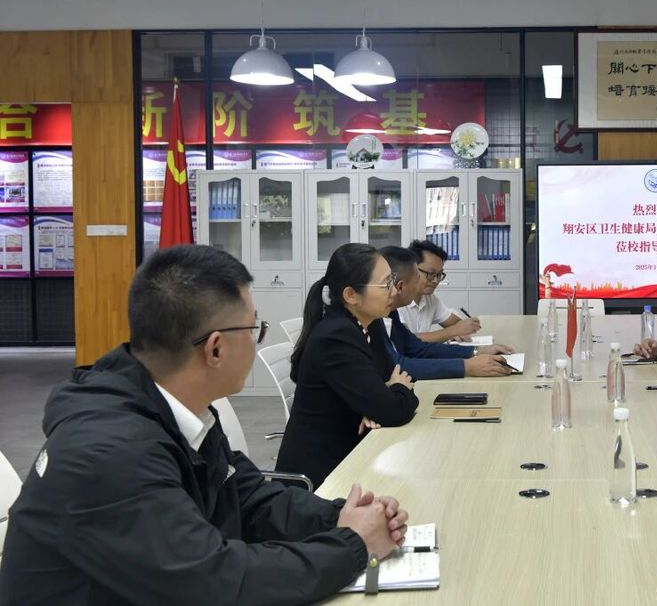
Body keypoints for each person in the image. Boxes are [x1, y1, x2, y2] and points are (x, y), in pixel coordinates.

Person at [0, 245, 409, 605]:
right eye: (254, 329)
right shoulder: (111, 452)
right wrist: (352, 544)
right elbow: (215, 582)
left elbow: (247, 497)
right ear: (215, 348)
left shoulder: (170, 405)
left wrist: (339, 516)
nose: (256, 340)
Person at [276, 243, 419, 489]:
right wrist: (387, 395)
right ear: (351, 295)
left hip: (353, 453)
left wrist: (375, 402)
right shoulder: (336, 336)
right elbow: (393, 409)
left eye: (393, 281)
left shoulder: (370, 322)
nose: (394, 291)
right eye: (385, 284)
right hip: (320, 478)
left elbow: (387, 380)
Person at [378, 246, 515, 378]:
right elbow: (398, 365)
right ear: (400, 286)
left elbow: (417, 348)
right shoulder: (376, 317)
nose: (434, 281)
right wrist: (467, 366)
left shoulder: (391, 312)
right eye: (417, 279)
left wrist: (476, 351)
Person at [399, 239, 480, 343]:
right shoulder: (396, 300)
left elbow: (456, 324)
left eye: (439, 274)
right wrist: (452, 332)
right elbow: (406, 341)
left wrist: (460, 329)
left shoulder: (429, 298)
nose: (435, 280)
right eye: (431, 273)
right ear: (412, 269)